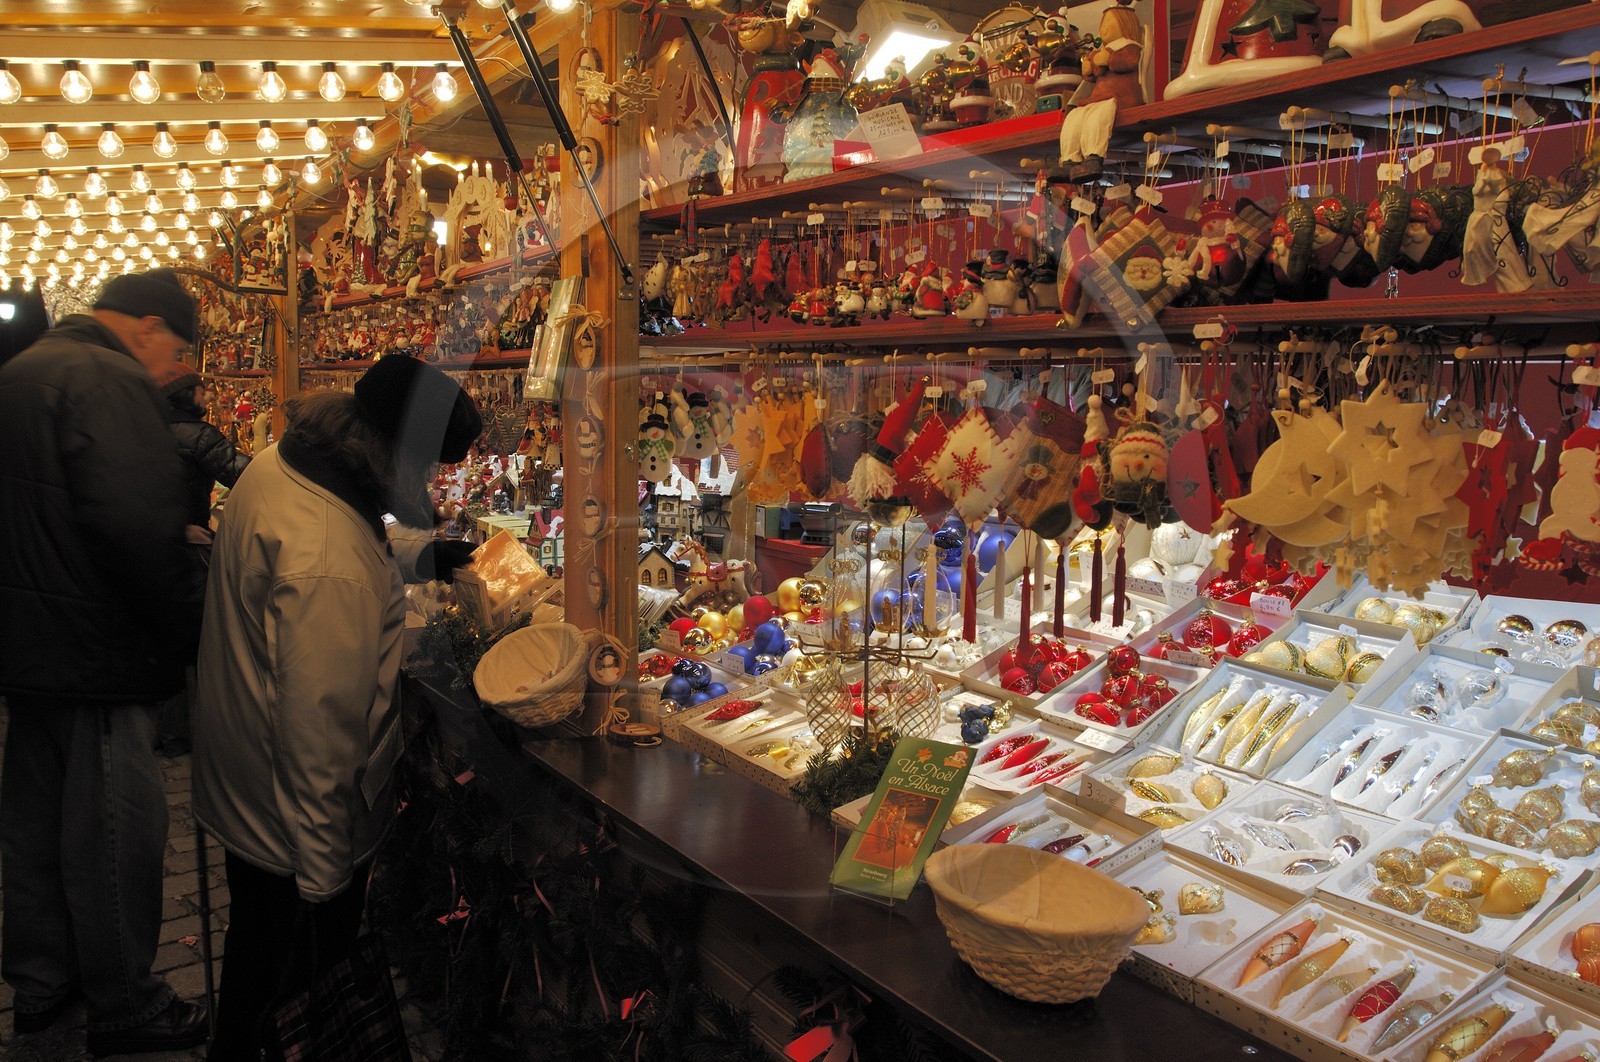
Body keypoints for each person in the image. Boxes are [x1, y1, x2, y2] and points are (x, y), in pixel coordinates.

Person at [194, 354, 479, 1061]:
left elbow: (349, 536)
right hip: (294, 836)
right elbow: (316, 733)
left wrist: (425, 556)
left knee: (256, 977)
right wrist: (324, 880)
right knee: (293, 1012)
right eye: (428, 467)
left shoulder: (287, 465)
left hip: (247, 795)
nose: (430, 484)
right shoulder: (327, 557)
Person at [0, 268, 210, 1055]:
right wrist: (188, 628)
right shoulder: (109, 379)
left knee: (36, 826)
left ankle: (42, 986)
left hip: (30, 645)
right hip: (93, 649)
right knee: (113, 834)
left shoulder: (27, 369)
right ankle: (125, 998)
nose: (178, 370)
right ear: (149, 327)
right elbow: (137, 525)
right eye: (180, 350)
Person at [149, 365, 255, 756]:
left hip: (153, 548)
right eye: (200, 390)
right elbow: (246, 474)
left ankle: (166, 732)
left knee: (165, 640)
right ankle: (191, 733)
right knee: (202, 642)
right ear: (185, 394)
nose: (207, 397)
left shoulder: (142, 429)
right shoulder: (197, 435)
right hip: (186, 554)